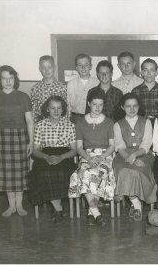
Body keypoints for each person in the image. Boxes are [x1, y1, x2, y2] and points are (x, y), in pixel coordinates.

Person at [0, 65, 34, 217]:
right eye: (4, 78)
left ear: (15, 79)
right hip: (1, 139)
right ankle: (11, 206)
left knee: (19, 174)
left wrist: (31, 142)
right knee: (6, 174)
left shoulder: (23, 96)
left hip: (20, 138)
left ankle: (19, 205)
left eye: (11, 78)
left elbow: (30, 121)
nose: (8, 81)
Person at [68, 89, 116, 227]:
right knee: (83, 173)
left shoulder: (109, 122)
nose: (97, 108)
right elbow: (79, 147)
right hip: (86, 155)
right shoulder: (81, 123)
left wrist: (101, 157)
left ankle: (92, 212)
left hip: (105, 155)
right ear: (89, 103)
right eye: (94, 104)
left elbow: (112, 146)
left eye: (100, 105)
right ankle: (96, 213)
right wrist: (89, 158)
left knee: (99, 173)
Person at [28, 96, 77, 224]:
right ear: (47, 109)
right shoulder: (40, 125)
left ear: (63, 109)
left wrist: (61, 157)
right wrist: (46, 157)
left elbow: (74, 150)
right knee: (44, 173)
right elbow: (35, 150)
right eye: (52, 108)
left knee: (62, 173)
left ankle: (57, 210)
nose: (56, 111)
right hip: (45, 155)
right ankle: (58, 208)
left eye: (59, 108)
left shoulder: (70, 125)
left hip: (64, 155)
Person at [112, 93, 157, 221]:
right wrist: (129, 158)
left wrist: (135, 156)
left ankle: (131, 199)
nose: (132, 109)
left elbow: (146, 144)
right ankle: (136, 203)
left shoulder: (146, 122)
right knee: (122, 170)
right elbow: (120, 146)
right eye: (128, 106)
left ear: (139, 106)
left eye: (135, 106)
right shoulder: (117, 124)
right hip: (123, 155)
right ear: (122, 107)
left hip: (143, 154)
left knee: (138, 170)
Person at [30, 55, 68, 123]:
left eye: (49, 67)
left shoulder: (62, 87)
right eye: (43, 68)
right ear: (40, 69)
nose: (47, 70)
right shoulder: (35, 88)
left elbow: (66, 109)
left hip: (59, 123)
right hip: (41, 124)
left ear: (54, 68)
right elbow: (33, 111)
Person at [67, 53, 100, 123]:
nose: (83, 67)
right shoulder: (71, 84)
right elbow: (68, 105)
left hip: (93, 118)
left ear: (90, 66)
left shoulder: (97, 83)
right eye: (80, 65)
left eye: (86, 65)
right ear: (76, 67)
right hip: (75, 118)